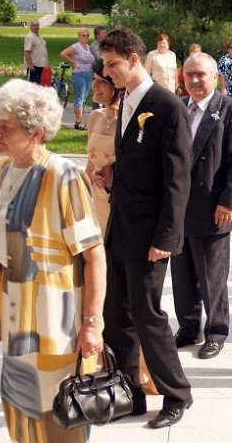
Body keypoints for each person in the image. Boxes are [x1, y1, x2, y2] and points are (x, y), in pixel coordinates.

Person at [0, 79, 106, 442]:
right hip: (15, 321)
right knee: (21, 421)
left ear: (36, 133)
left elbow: (94, 254)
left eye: (5, 127)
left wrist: (92, 324)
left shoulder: (62, 176)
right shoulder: (4, 170)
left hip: (55, 325)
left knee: (58, 423)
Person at [94, 29, 193, 428]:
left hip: (150, 234)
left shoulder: (167, 106)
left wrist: (166, 237)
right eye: (105, 65)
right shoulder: (127, 101)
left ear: (134, 59)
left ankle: (177, 395)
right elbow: (139, 161)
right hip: (121, 227)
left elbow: (177, 179)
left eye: (113, 64)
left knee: (147, 315)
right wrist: (113, 176)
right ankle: (129, 392)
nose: (108, 72)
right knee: (116, 314)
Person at [170, 53, 232, 359]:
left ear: (215, 77)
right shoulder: (177, 107)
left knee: (212, 275)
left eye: (200, 74)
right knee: (182, 275)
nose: (194, 80)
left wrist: (228, 201)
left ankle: (216, 331)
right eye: (189, 74)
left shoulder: (231, 109)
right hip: (178, 208)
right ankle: (189, 327)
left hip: (213, 206)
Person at [85, 59, 121, 233]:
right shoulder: (94, 117)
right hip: (95, 201)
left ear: (116, 85)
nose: (95, 85)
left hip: (118, 202)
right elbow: (90, 165)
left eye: (102, 82)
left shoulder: (127, 121)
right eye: (94, 79)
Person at [60, 28, 95, 130]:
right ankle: (79, 123)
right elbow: (63, 53)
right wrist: (72, 62)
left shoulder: (88, 47)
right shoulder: (76, 46)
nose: (85, 37)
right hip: (78, 74)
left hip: (88, 74)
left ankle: (78, 121)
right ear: (79, 36)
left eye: (87, 35)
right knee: (79, 98)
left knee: (83, 99)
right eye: (83, 35)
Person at [23, 20, 48, 85]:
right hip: (34, 66)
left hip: (41, 65)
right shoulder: (30, 37)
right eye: (34, 25)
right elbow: (27, 52)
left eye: (37, 25)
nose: (36, 27)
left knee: (38, 85)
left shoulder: (39, 36)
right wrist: (30, 65)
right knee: (33, 86)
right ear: (30, 26)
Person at [89, 26, 107, 111]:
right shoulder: (94, 46)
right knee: (98, 94)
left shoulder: (106, 44)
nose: (106, 35)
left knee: (107, 93)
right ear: (97, 35)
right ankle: (95, 113)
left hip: (106, 73)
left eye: (105, 33)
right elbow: (100, 58)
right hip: (98, 74)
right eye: (103, 33)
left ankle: (105, 112)